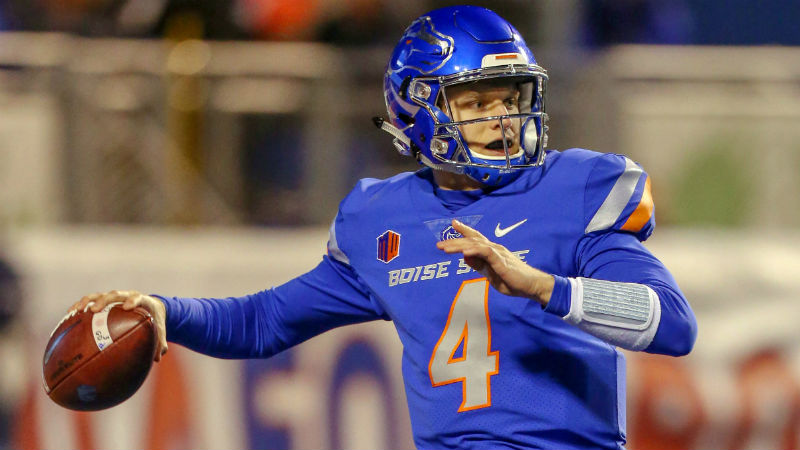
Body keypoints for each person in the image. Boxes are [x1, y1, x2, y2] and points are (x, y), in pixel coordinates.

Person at [71, 5, 697, 449]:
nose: (503, 118)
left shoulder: (577, 188)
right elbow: (265, 321)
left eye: (510, 98)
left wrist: (542, 286)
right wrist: (163, 312)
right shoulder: (382, 218)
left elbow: (672, 323)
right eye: (477, 102)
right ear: (418, 109)